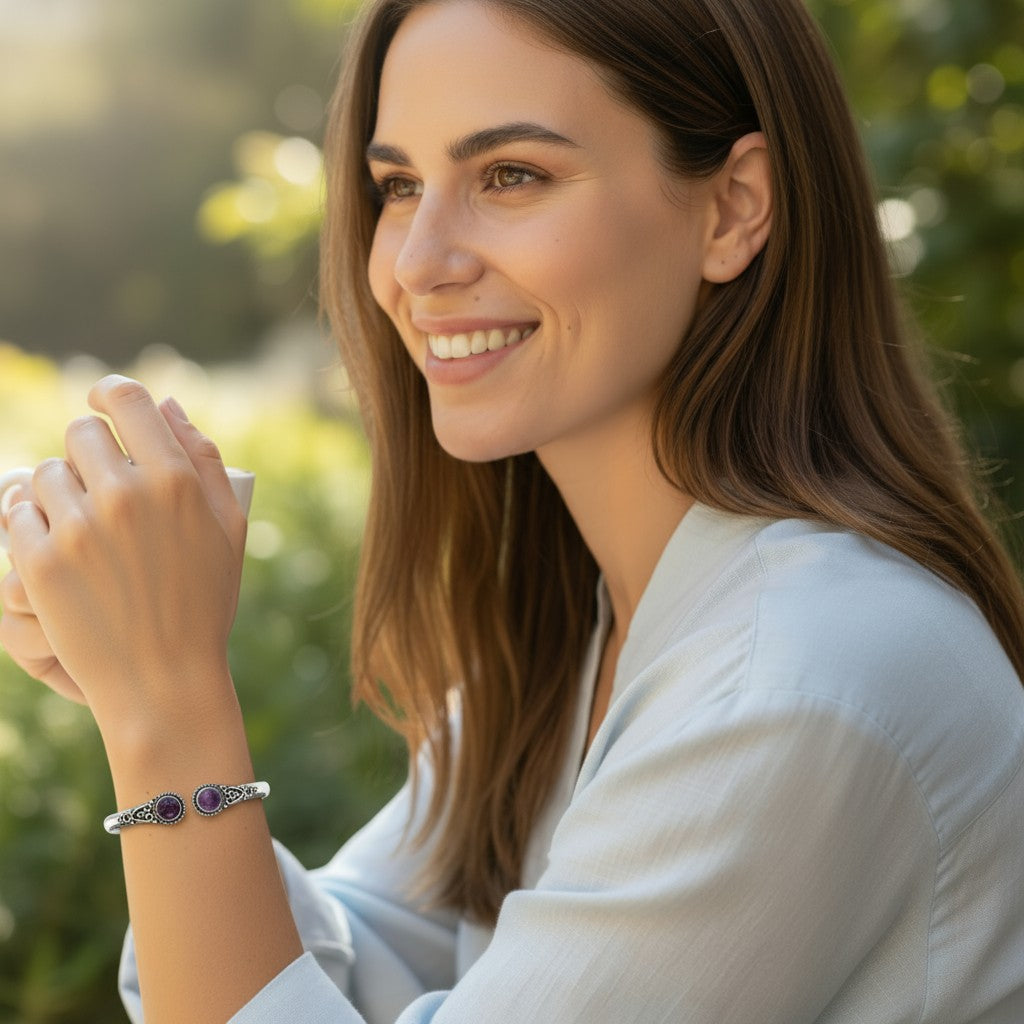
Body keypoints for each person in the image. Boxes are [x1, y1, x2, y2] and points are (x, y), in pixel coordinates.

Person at [1, 0, 1023, 1020]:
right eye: (398, 186)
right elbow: (353, 968)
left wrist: (169, 713)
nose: (416, 262)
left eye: (511, 175)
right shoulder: (585, 632)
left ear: (731, 208)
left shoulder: (794, 683)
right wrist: (133, 668)